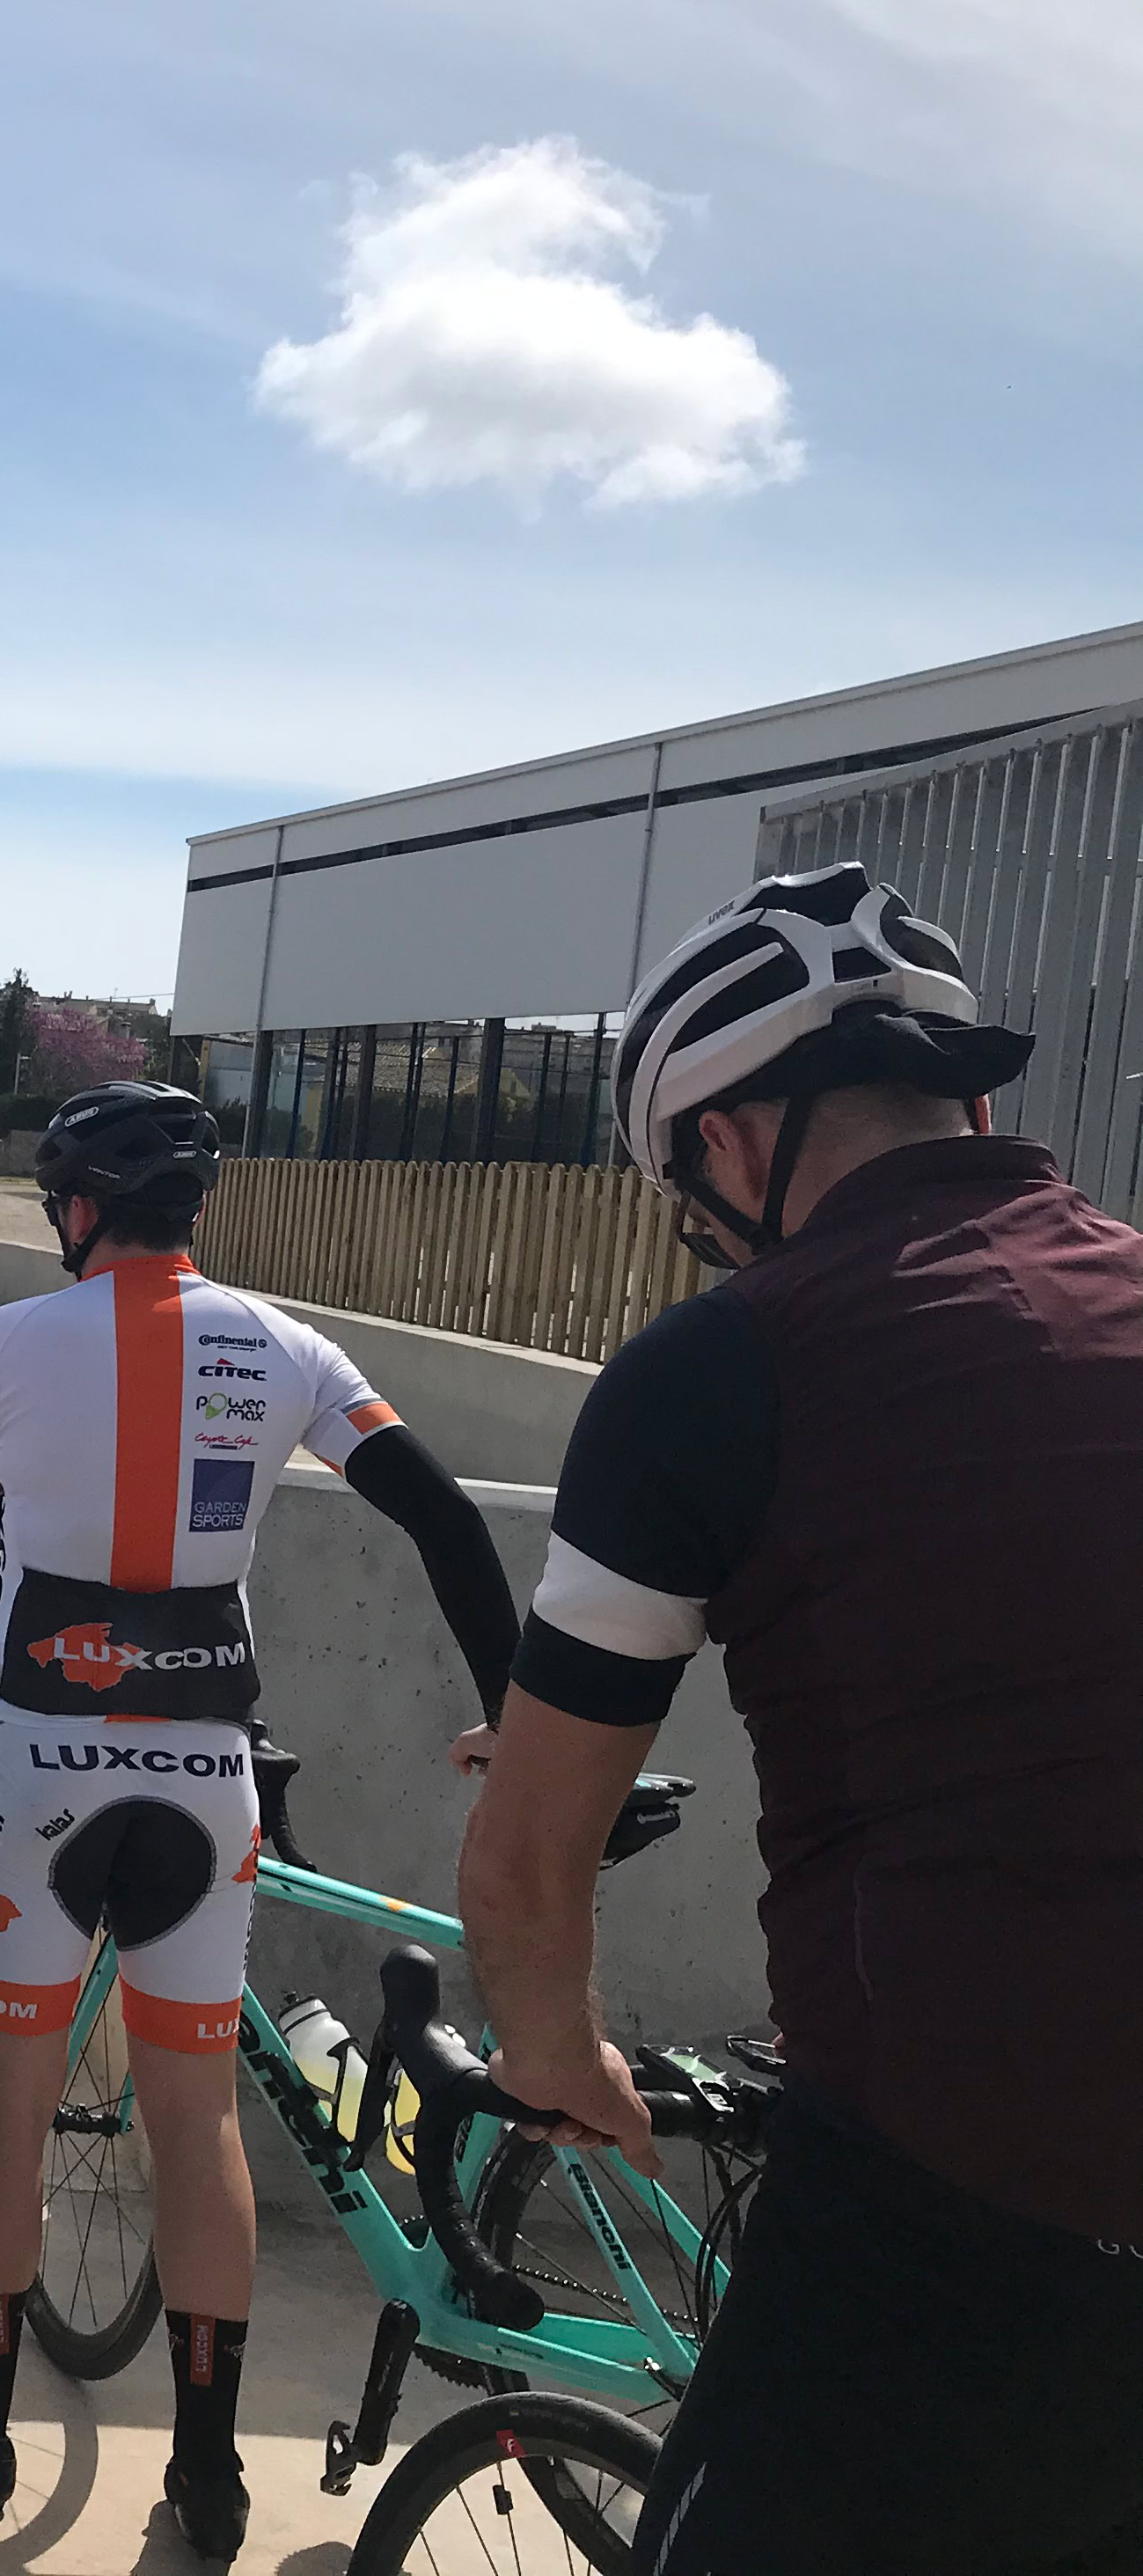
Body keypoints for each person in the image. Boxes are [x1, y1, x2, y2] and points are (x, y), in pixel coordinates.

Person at [451, 864, 1143, 2576]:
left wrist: (558, 2055)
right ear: (961, 1091)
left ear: (729, 1141)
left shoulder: (717, 1371)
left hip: (950, 2215)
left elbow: (526, 1863)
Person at [0, 1082, 517, 2558]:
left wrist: (38, 1704)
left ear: (80, 1207)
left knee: (6, 2104)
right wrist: (515, 1713)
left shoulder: (3, 1342)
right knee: (198, 2121)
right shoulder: (288, 1346)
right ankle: (209, 2474)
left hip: (40, 1764)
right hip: (205, 1771)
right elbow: (445, 1518)